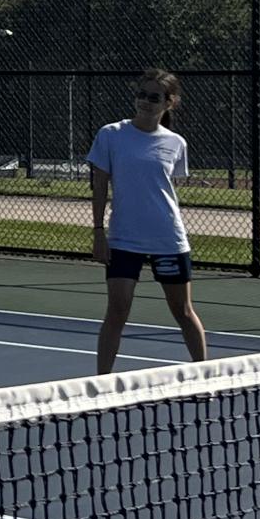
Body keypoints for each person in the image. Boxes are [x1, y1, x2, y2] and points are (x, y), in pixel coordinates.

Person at [87, 68, 207, 376]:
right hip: (123, 239)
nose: (145, 102)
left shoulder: (176, 143)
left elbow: (165, 189)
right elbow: (99, 186)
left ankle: (206, 377)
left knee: (182, 311)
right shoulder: (111, 135)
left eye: (154, 97)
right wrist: (98, 231)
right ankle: (102, 384)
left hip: (168, 239)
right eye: (141, 95)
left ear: (169, 102)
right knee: (117, 310)